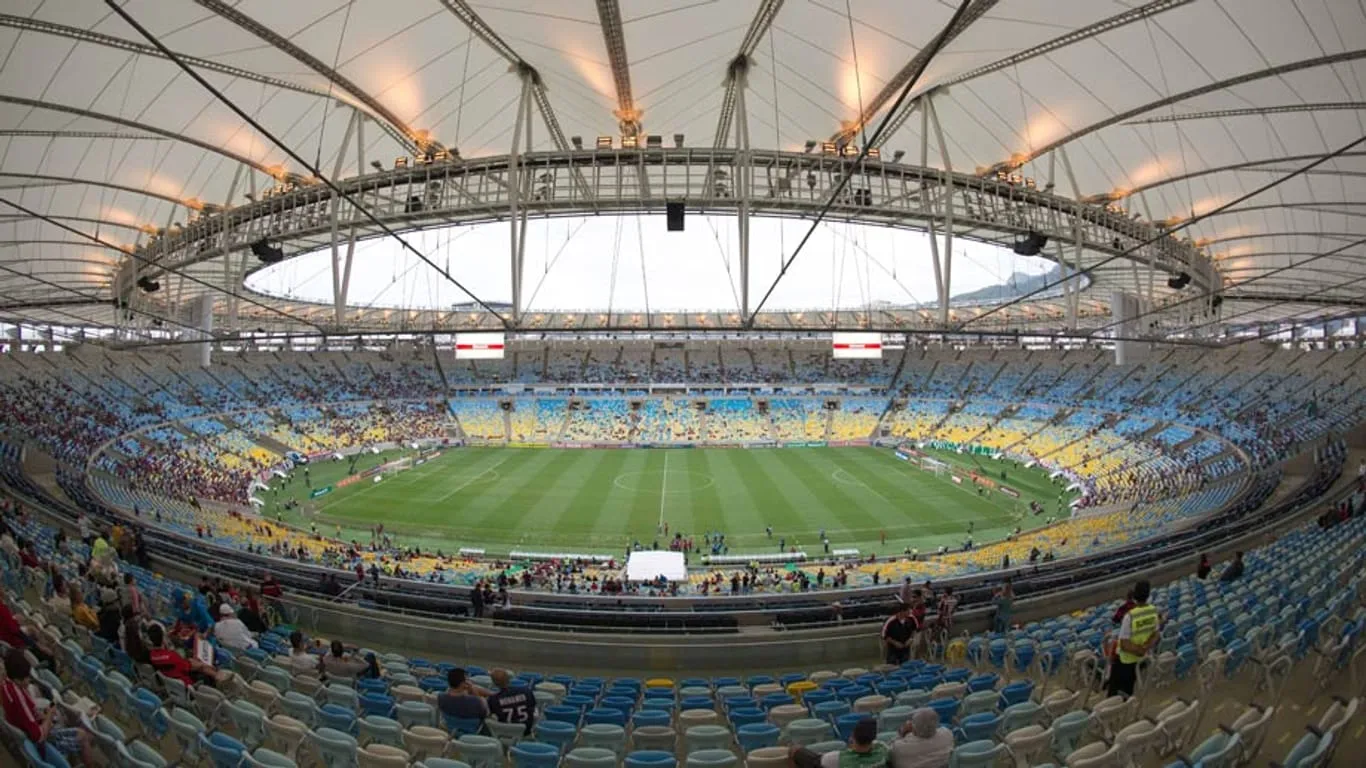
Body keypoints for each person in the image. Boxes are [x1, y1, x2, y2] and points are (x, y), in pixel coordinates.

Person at [1, 649, 94, 766]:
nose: (29, 680)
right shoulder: (18, 697)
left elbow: (30, 713)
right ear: (17, 680)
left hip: (33, 732)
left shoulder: (6, 685)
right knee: (85, 736)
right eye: (26, 678)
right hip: (43, 745)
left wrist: (46, 713)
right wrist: (49, 715)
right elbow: (39, 736)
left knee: (57, 712)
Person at [1107, 579, 1158, 696]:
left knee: (1115, 692)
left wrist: (1139, 650)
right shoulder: (1153, 611)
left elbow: (1124, 644)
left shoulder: (1130, 616)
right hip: (1140, 659)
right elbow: (1155, 634)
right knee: (1128, 689)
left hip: (1125, 661)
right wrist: (1145, 648)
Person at [789, 717, 887, 768]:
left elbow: (797, 751)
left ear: (852, 737)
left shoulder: (836, 758)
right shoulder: (883, 750)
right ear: (873, 738)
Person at [146, 624, 224, 687]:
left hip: (172, 682)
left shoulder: (152, 655)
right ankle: (220, 678)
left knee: (195, 662)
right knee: (202, 668)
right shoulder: (171, 656)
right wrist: (204, 665)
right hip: (186, 684)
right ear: (163, 637)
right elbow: (192, 667)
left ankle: (218, 676)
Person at [890, 708, 954, 768]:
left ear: (914, 728)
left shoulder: (899, 747)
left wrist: (900, 734)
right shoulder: (947, 734)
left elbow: (889, 753)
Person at [486, 668, 536, 734]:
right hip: (525, 731)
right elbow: (533, 707)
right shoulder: (526, 692)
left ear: (494, 683)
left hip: (504, 731)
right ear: (509, 679)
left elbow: (488, 714)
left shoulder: (493, 699)